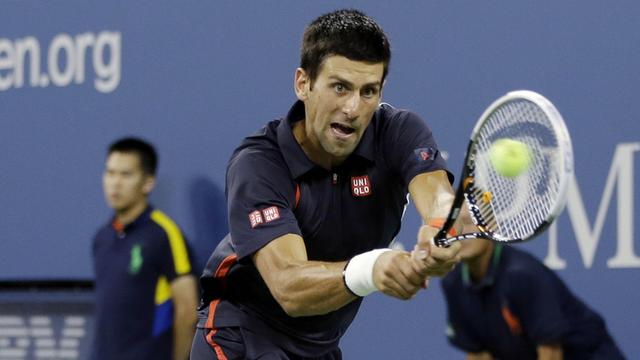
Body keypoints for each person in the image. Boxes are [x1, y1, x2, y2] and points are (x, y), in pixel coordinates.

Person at [190, 9, 468, 359]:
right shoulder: (259, 164)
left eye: (369, 92)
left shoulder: (398, 132)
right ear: (303, 83)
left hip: (320, 345)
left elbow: (439, 198)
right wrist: (371, 268)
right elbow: (288, 286)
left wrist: (443, 230)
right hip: (241, 336)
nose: (353, 107)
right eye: (340, 87)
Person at [92, 137, 199, 360]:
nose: (115, 183)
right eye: (110, 173)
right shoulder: (102, 238)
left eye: (126, 174)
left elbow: (188, 311)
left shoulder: (164, 234)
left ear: (148, 182)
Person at [441, 239, 626, 360]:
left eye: (469, 222)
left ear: (490, 225)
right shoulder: (453, 283)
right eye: (456, 223)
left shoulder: (522, 274)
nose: (463, 233)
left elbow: (551, 354)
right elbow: (478, 353)